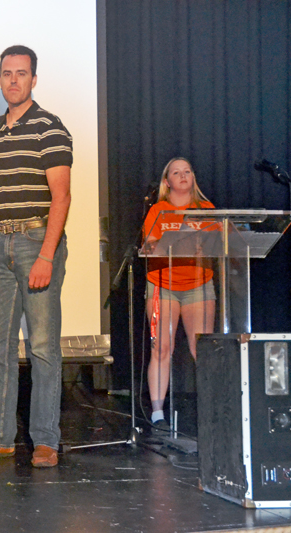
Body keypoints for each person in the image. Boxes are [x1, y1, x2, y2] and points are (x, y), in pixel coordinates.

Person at [0, 45, 72, 468]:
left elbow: (61, 196)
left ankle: (45, 440)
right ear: (0, 79)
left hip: (37, 241)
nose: (13, 81)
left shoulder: (49, 127)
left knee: (42, 346)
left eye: (21, 74)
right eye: (7, 74)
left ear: (33, 80)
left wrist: (45, 255)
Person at [142, 157, 215, 432]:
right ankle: (158, 413)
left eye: (187, 171)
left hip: (198, 284)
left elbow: (220, 243)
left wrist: (202, 245)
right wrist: (172, 241)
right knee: (162, 348)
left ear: (193, 178)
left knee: (203, 349)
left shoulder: (207, 210)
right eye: (176, 172)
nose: (183, 175)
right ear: (167, 182)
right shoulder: (158, 211)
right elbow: (149, 246)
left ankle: (213, 407)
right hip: (162, 284)